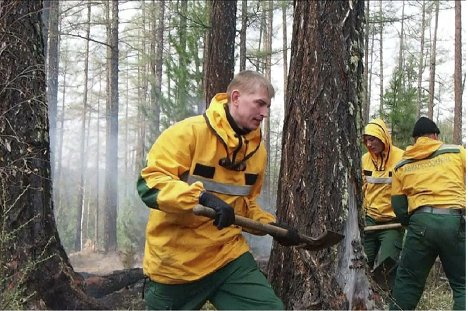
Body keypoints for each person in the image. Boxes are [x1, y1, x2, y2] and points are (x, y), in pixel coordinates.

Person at [137, 70, 298, 310]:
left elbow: (247, 204)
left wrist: (272, 226)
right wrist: (202, 197)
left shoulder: (257, 152)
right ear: (235, 98)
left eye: (267, 107)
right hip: (176, 263)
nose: (264, 113)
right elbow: (150, 183)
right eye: (259, 104)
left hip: (227, 256)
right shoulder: (188, 133)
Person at [390, 117, 466, 310]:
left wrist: (412, 224)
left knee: (407, 284)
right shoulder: (457, 152)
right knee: (463, 285)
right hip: (453, 220)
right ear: (435, 136)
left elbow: (398, 206)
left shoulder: (401, 165)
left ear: (415, 140)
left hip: (420, 222)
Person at [361, 119, 405, 290]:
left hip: (392, 222)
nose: (369, 144)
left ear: (383, 138)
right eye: (366, 140)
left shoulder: (401, 157)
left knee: (388, 266)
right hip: (370, 220)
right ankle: (363, 299)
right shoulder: (364, 160)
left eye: (373, 139)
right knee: (362, 263)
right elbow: (360, 188)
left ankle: (386, 300)